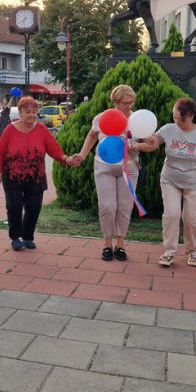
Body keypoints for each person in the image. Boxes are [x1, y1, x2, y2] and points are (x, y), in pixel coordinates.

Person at [134, 98, 196, 267]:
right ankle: (168, 252)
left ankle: (193, 252)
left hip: (194, 182)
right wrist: (136, 145)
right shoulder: (168, 129)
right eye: (175, 117)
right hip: (170, 179)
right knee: (171, 214)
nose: (177, 122)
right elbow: (153, 144)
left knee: (192, 218)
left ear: (192, 116)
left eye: (181, 119)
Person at [0, 96, 81, 251]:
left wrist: (66, 159)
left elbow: (54, 149)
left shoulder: (42, 130)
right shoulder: (10, 130)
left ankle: (27, 236)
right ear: (20, 112)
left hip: (35, 175)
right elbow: (0, 152)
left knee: (34, 206)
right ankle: (15, 237)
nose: (32, 115)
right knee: (14, 206)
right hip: (12, 175)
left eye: (34, 112)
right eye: (28, 111)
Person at [75, 85, 140, 262]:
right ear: (115, 102)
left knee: (125, 207)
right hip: (104, 166)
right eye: (125, 103)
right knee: (107, 206)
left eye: (131, 102)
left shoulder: (137, 119)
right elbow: (92, 136)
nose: (129, 106)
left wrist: (138, 144)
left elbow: (150, 141)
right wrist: (82, 155)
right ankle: (107, 243)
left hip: (129, 167)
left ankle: (120, 244)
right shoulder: (102, 117)